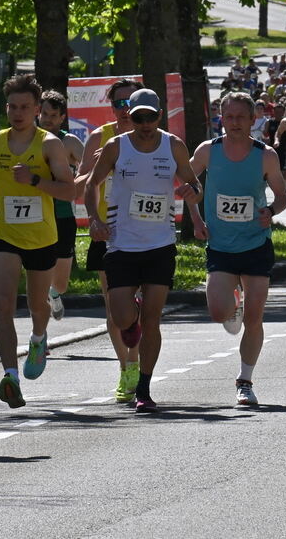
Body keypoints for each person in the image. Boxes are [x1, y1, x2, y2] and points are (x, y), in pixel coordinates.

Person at [83, 89, 205, 413]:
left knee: (153, 320)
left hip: (160, 244)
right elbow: (91, 185)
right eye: (139, 118)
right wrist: (94, 219)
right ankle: (131, 314)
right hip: (121, 244)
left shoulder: (173, 146)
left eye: (151, 117)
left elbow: (195, 186)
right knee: (121, 318)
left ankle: (144, 388)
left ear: (160, 116)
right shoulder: (116, 146)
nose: (145, 124)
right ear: (130, 116)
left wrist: (191, 193)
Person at [184, 93, 286, 406]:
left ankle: (245, 381)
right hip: (220, 244)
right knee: (219, 313)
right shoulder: (208, 151)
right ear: (221, 119)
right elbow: (187, 186)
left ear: (253, 119)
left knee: (254, 319)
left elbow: (282, 197)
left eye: (241, 117)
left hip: (255, 243)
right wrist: (196, 220)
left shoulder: (265, 155)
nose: (235, 123)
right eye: (229, 117)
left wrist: (271, 211)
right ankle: (234, 303)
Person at [0, 75, 76, 408]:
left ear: (37, 109)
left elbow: (69, 191)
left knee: (38, 306)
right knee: (4, 304)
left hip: (42, 237)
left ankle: (38, 339)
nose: (17, 113)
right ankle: (10, 375)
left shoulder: (49, 144)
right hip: (5, 235)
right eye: (12, 107)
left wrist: (35, 179)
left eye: (24, 107)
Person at [76, 78, 142, 402]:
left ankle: (138, 362)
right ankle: (126, 368)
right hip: (108, 233)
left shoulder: (152, 138)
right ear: (112, 107)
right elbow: (79, 185)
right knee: (115, 308)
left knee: (141, 305)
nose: (125, 109)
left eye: (131, 102)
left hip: (144, 233)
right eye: (119, 103)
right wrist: (97, 167)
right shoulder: (98, 137)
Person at [38, 89, 85, 321]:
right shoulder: (29, 140)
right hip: (35, 214)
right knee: (37, 272)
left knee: (62, 283)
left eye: (53, 115)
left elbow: (90, 167)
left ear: (62, 117)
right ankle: (39, 329)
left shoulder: (70, 142)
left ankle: (54, 294)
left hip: (63, 214)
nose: (47, 120)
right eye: (44, 114)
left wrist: (75, 182)